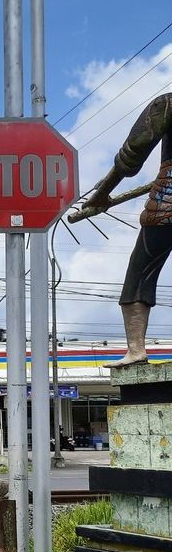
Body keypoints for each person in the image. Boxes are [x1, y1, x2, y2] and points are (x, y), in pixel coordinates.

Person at [82, 92, 172, 368]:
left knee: (139, 273)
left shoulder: (167, 104)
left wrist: (103, 192)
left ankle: (136, 350)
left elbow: (132, 155)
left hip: (167, 205)